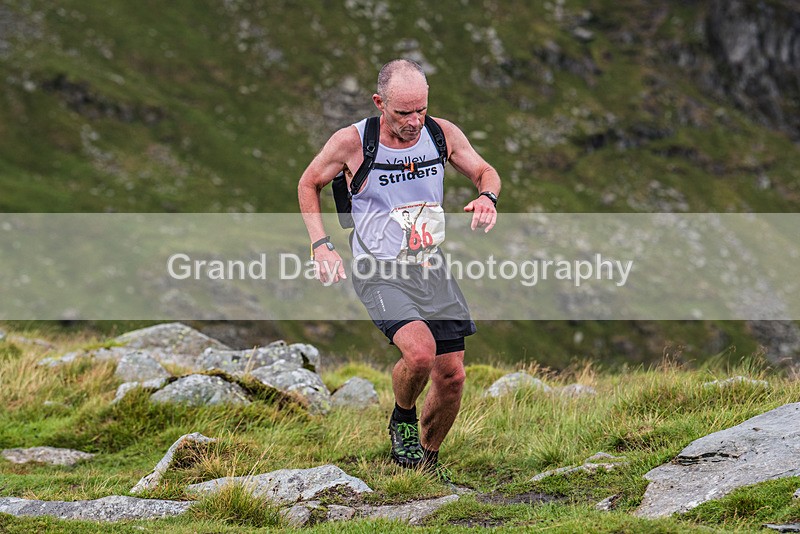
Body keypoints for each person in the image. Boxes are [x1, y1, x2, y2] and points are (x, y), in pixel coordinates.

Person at [298, 59, 501, 480]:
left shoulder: (441, 133)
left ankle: (425, 465)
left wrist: (488, 197)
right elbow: (309, 183)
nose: (414, 121)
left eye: (421, 110)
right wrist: (321, 245)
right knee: (421, 354)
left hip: (430, 265)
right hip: (378, 267)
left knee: (453, 376)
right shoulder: (353, 142)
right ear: (379, 103)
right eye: (403, 112)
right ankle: (402, 417)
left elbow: (485, 171)